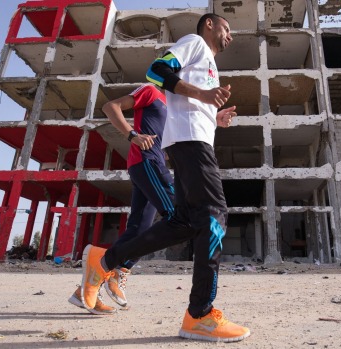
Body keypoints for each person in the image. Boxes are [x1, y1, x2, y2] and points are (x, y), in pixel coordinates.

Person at [80, 13, 250, 342]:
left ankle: (106, 260)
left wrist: (215, 118)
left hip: (192, 142)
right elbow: (156, 71)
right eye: (227, 28)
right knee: (214, 217)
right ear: (210, 25)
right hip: (191, 146)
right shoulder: (195, 43)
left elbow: (185, 105)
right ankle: (199, 314)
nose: (230, 35)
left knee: (184, 223)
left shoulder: (207, 63)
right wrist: (203, 96)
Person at [69, 83, 175, 315]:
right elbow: (110, 107)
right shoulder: (151, 91)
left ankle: (88, 287)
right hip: (147, 163)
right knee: (177, 217)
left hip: (152, 164)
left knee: (139, 228)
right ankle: (118, 269)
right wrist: (132, 135)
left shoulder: (173, 107)